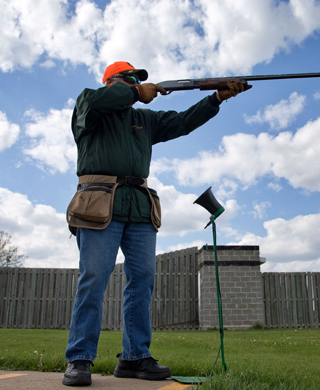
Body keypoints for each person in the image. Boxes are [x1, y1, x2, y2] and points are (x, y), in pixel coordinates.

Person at [62, 61, 247, 386]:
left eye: (138, 80)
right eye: (128, 79)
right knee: (93, 279)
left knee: (142, 281)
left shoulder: (143, 120)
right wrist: (135, 90)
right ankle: (79, 359)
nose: (135, 84)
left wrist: (216, 98)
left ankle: (134, 358)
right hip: (99, 202)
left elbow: (182, 122)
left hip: (139, 206)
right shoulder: (89, 106)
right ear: (110, 82)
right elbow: (99, 100)